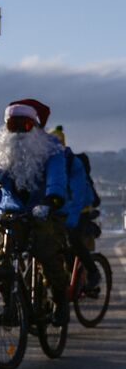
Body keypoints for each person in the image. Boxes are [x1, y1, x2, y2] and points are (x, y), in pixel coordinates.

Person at [0, 99, 69, 324]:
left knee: (47, 253)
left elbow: (57, 179)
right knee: (1, 259)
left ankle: (60, 301)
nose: (17, 132)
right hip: (12, 212)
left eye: (24, 125)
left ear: (35, 127)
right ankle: (9, 304)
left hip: (44, 209)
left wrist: (51, 200)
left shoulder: (51, 150)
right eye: (11, 126)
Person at [50, 126, 103, 295]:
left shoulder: (73, 163)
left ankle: (93, 272)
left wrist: (71, 219)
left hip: (79, 209)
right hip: (61, 210)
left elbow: (78, 195)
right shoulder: (48, 163)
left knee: (72, 238)